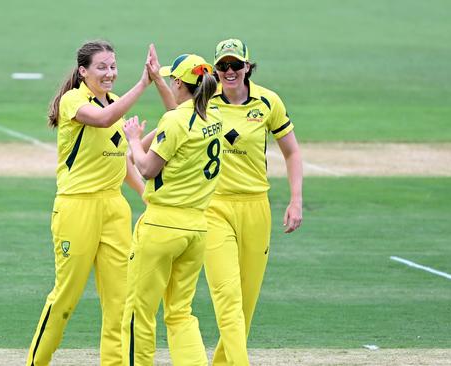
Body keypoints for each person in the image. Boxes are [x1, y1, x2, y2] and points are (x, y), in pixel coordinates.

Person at [26, 40, 150, 366]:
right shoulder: (73, 101)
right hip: (77, 207)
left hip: (114, 208)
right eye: (102, 67)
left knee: (120, 301)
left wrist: (146, 196)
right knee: (66, 297)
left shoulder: (114, 104)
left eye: (112, 66)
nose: (109, 73)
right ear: (83, 71)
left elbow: (121, 163)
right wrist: (142, 84)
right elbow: (104, 120)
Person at [204, 38, 304, 365]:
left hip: (256, 208)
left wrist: (295, 200)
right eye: (223, 66)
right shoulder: (204, 100)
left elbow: (291, 152)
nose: (229, 71)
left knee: (245, 303)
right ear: (215, 69)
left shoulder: (267, 101)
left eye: (236, 65)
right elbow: (174, 120)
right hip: (214, 208)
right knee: (227, 296)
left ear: (248, 66)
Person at [121, 53, 222, 366]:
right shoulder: (214, 118)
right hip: (196, 228)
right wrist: (160, 82)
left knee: (139, 312)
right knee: (180, 313)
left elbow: (148, 169)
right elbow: (181, 114)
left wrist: (135, 140)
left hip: (162, 227)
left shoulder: (177, 121)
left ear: (181, 83)